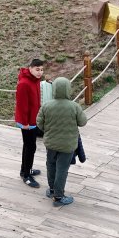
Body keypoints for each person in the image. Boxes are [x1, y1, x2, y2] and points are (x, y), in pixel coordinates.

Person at [35, 77, 87, 207]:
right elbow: (83, 122)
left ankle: (52, 190)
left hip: (50, 143)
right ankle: (58, 196)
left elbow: (39, 123)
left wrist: (49, 131)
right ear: (68, 89)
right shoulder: (74, 106)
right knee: (62, 170)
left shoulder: (47, 105)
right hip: (67, 145)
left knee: (51, 165)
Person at [14, 58, 45, 188]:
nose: (40, 72)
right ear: (30, 68)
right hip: (27, 122)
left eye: (42, 70)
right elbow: (22, 105)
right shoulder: (24, 83)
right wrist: (25, 123)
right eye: (37, 69)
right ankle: (26, 176)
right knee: (30, 147)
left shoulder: (35, 80)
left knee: (28, 146)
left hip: (33, 119)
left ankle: (25, 169)